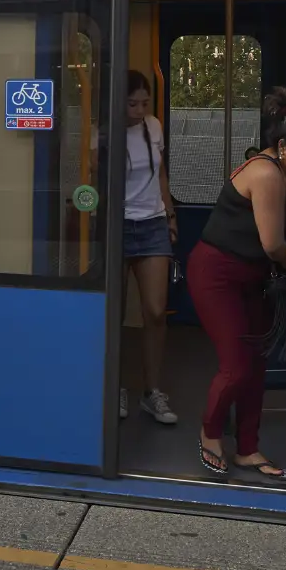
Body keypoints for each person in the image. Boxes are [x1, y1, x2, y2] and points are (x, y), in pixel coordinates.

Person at [186, 107, 286, 481]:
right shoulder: (266, 173)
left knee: (256, 366)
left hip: (252, 277)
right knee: (236, 366)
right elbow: (271, 244)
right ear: (283, 146)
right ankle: (210, 432)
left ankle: (248, 448)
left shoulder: (283, 169)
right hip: (218, 275)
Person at [120, 70, 178, 426]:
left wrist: (170, 214)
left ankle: (152, 391)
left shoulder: (153, 127)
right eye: (132, 103)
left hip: (153, 222)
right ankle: (114, 387)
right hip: (118, 224)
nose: (140, 109)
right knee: (113, 313)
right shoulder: (104, 130)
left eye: (145, 102)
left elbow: (160, 174)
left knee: (155, 310)